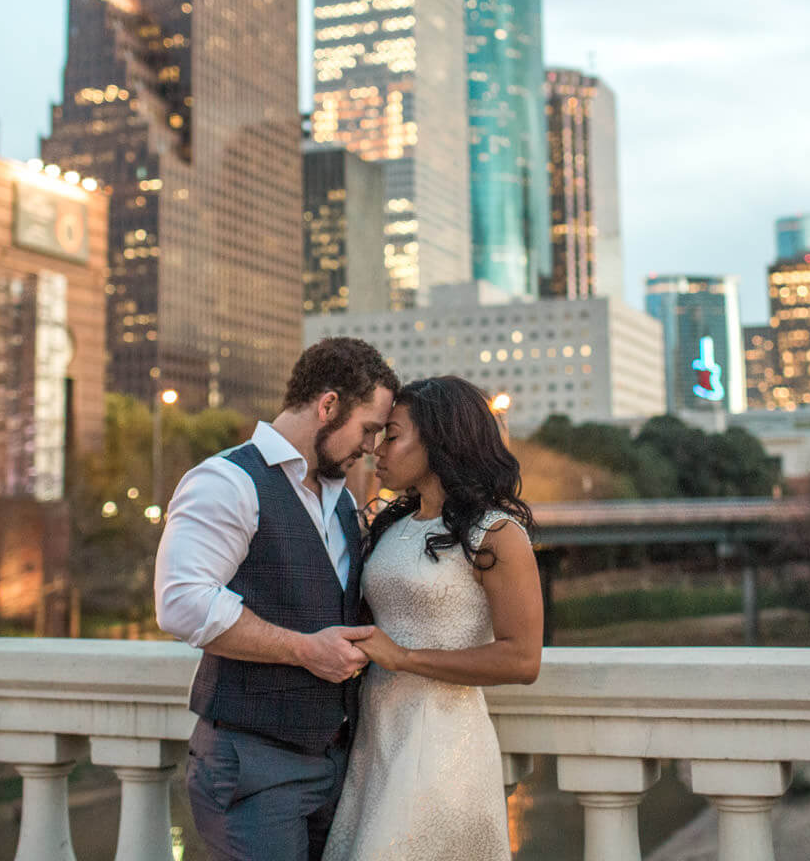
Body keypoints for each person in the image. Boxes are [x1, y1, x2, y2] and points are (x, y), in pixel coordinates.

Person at [154, 338, 399, 861]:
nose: (372, 447)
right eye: (369, 429)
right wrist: (304, 649)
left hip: (336, 769)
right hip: (252, 770)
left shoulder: (341, 500)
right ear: (328, 406)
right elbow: (182, 602)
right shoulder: (226, 481)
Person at [323, 375, 543, 861]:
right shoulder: (391, 526)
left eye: (393, 436)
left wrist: (402, 657)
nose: (377, 450)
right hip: (374, 739)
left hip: (442, 742)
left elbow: (522, 659)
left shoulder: (497, 532)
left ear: (440, 439)